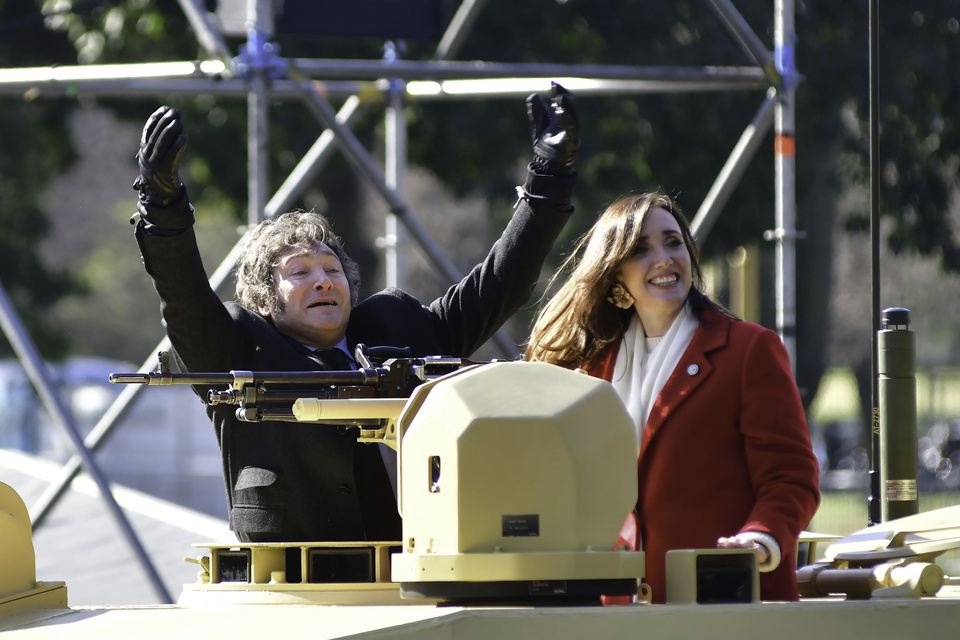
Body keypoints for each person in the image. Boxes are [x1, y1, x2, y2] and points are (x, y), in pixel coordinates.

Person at [131, 83, 580, 544]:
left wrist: (550, 178)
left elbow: (498, 285)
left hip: (420, 570)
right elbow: (182, 295)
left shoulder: (398, 325)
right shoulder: (239, 347)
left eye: (331, 268)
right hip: (296, 588)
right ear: (264, 302)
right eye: (299, 272)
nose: (323, 280)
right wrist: (162, 205)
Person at [525, 193, 820, 603]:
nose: (663, 258)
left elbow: (791, 478)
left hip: (727, 604)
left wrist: (760, 539)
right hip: (617, 609)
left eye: (673, 242)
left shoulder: (750, 350)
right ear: (615, 277)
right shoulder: (591, 370)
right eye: (641, 249)